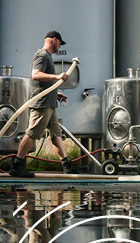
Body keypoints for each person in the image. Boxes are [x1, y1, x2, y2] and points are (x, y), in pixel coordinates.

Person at [10, 31, 88, 178]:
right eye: (60, 42)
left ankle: (67, 166)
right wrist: (57, 76)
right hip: (42, 104)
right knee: (32, 133)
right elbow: (36, 74)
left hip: (49, 102)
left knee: (56, 134)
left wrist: (56, 93)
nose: (60, 46)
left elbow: (43, 82)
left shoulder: (48, 57)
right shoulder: (42, 55)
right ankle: (17, 165)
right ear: (54, 40)